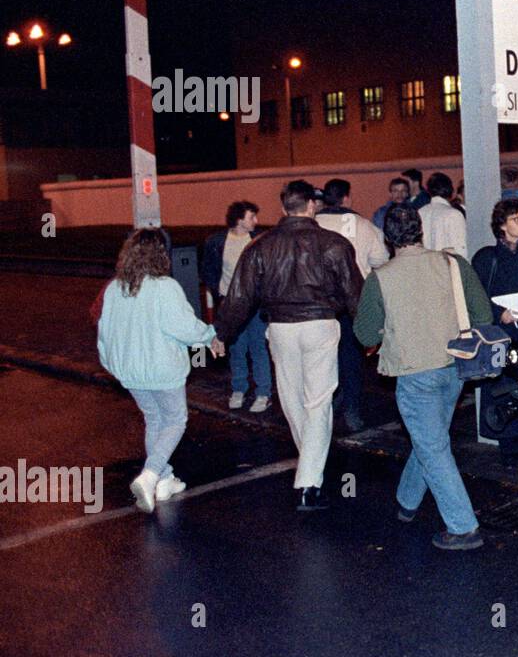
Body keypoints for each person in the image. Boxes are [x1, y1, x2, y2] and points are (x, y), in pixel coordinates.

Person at [216, 180, 364, 510]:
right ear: (313, 206)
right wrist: (371, 334)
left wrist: (221, 333)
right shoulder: (334, 244)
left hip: (280, 328)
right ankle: (309, 482)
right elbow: (355, 293)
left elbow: (239, 296)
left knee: (293, 400)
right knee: (318, 402)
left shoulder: (260, 246)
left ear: (283, 208)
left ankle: (310, 471)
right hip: (320, 325)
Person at [353, 203, 490, 550]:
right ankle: (407, 500)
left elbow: (366, 335)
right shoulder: (452, 263)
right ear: (421, 231)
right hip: (455, 368)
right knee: (431, 439)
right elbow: (482, 313)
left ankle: (462, 527)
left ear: (387, 238)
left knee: (433, 446)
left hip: (415, 373)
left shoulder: (380, 278)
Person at [98, 229, 219, 513]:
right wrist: (210, 335)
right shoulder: (165, 287)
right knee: (176, 419)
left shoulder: (116, 287)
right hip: (162, 368)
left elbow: (105, 331)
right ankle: (150, 474)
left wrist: (110, 363)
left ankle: (164, 480)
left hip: (130, 370)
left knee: (154, 420)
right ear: (160, 255)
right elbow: (185, 327)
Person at [316, 178, 390, 433]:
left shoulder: (313, 223)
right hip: (352, 301)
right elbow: (381, 260)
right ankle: (352, 409)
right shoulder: (363, 225)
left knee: (322, 357)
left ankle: (326, 405)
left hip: (319, 304)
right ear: (347, 198)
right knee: (351, 357)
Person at [200, 200, 272, 412]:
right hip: (230, 304)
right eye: (252, 217)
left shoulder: (259, 240)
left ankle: (263, 393)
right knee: (236, 349)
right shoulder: (217, 241)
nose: (256, 221)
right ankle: (239, 389)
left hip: (255, 305)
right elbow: (209, 271)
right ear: (239, 220)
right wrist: (219, 296)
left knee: (258, 347)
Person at [471, 198, 518, 346]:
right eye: (515, 219)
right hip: (500, 332)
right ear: (502, 225)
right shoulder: (486, 258)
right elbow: (477, 296)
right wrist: (499, 313)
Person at [419, 172, 467, 256]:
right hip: (447, 267)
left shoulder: (419, 212)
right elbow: (461, 251)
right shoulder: (454, 214)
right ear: (450, 190)